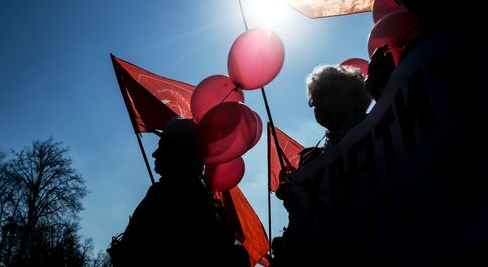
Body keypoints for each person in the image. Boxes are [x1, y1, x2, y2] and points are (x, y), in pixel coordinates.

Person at [107, 116, 248, 267]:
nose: (154, 153)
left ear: (177, 152)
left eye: (162, 146)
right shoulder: (206, 202)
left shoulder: (163, 194)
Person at [272, 65, 372, 267]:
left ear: (346, 95)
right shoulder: (320, 153)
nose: (313, 104)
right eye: (312, 98)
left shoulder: (374, 129)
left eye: (319, 95)